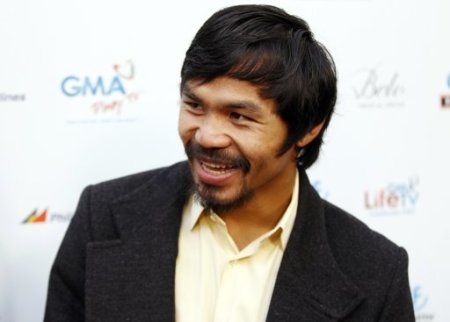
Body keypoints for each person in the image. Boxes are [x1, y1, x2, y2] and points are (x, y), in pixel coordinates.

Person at [44, 4, 415, 322]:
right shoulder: (102, 216)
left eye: (239, 116)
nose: (206, 136)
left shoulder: (376, 273)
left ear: (307, 128)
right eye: (194, 105)